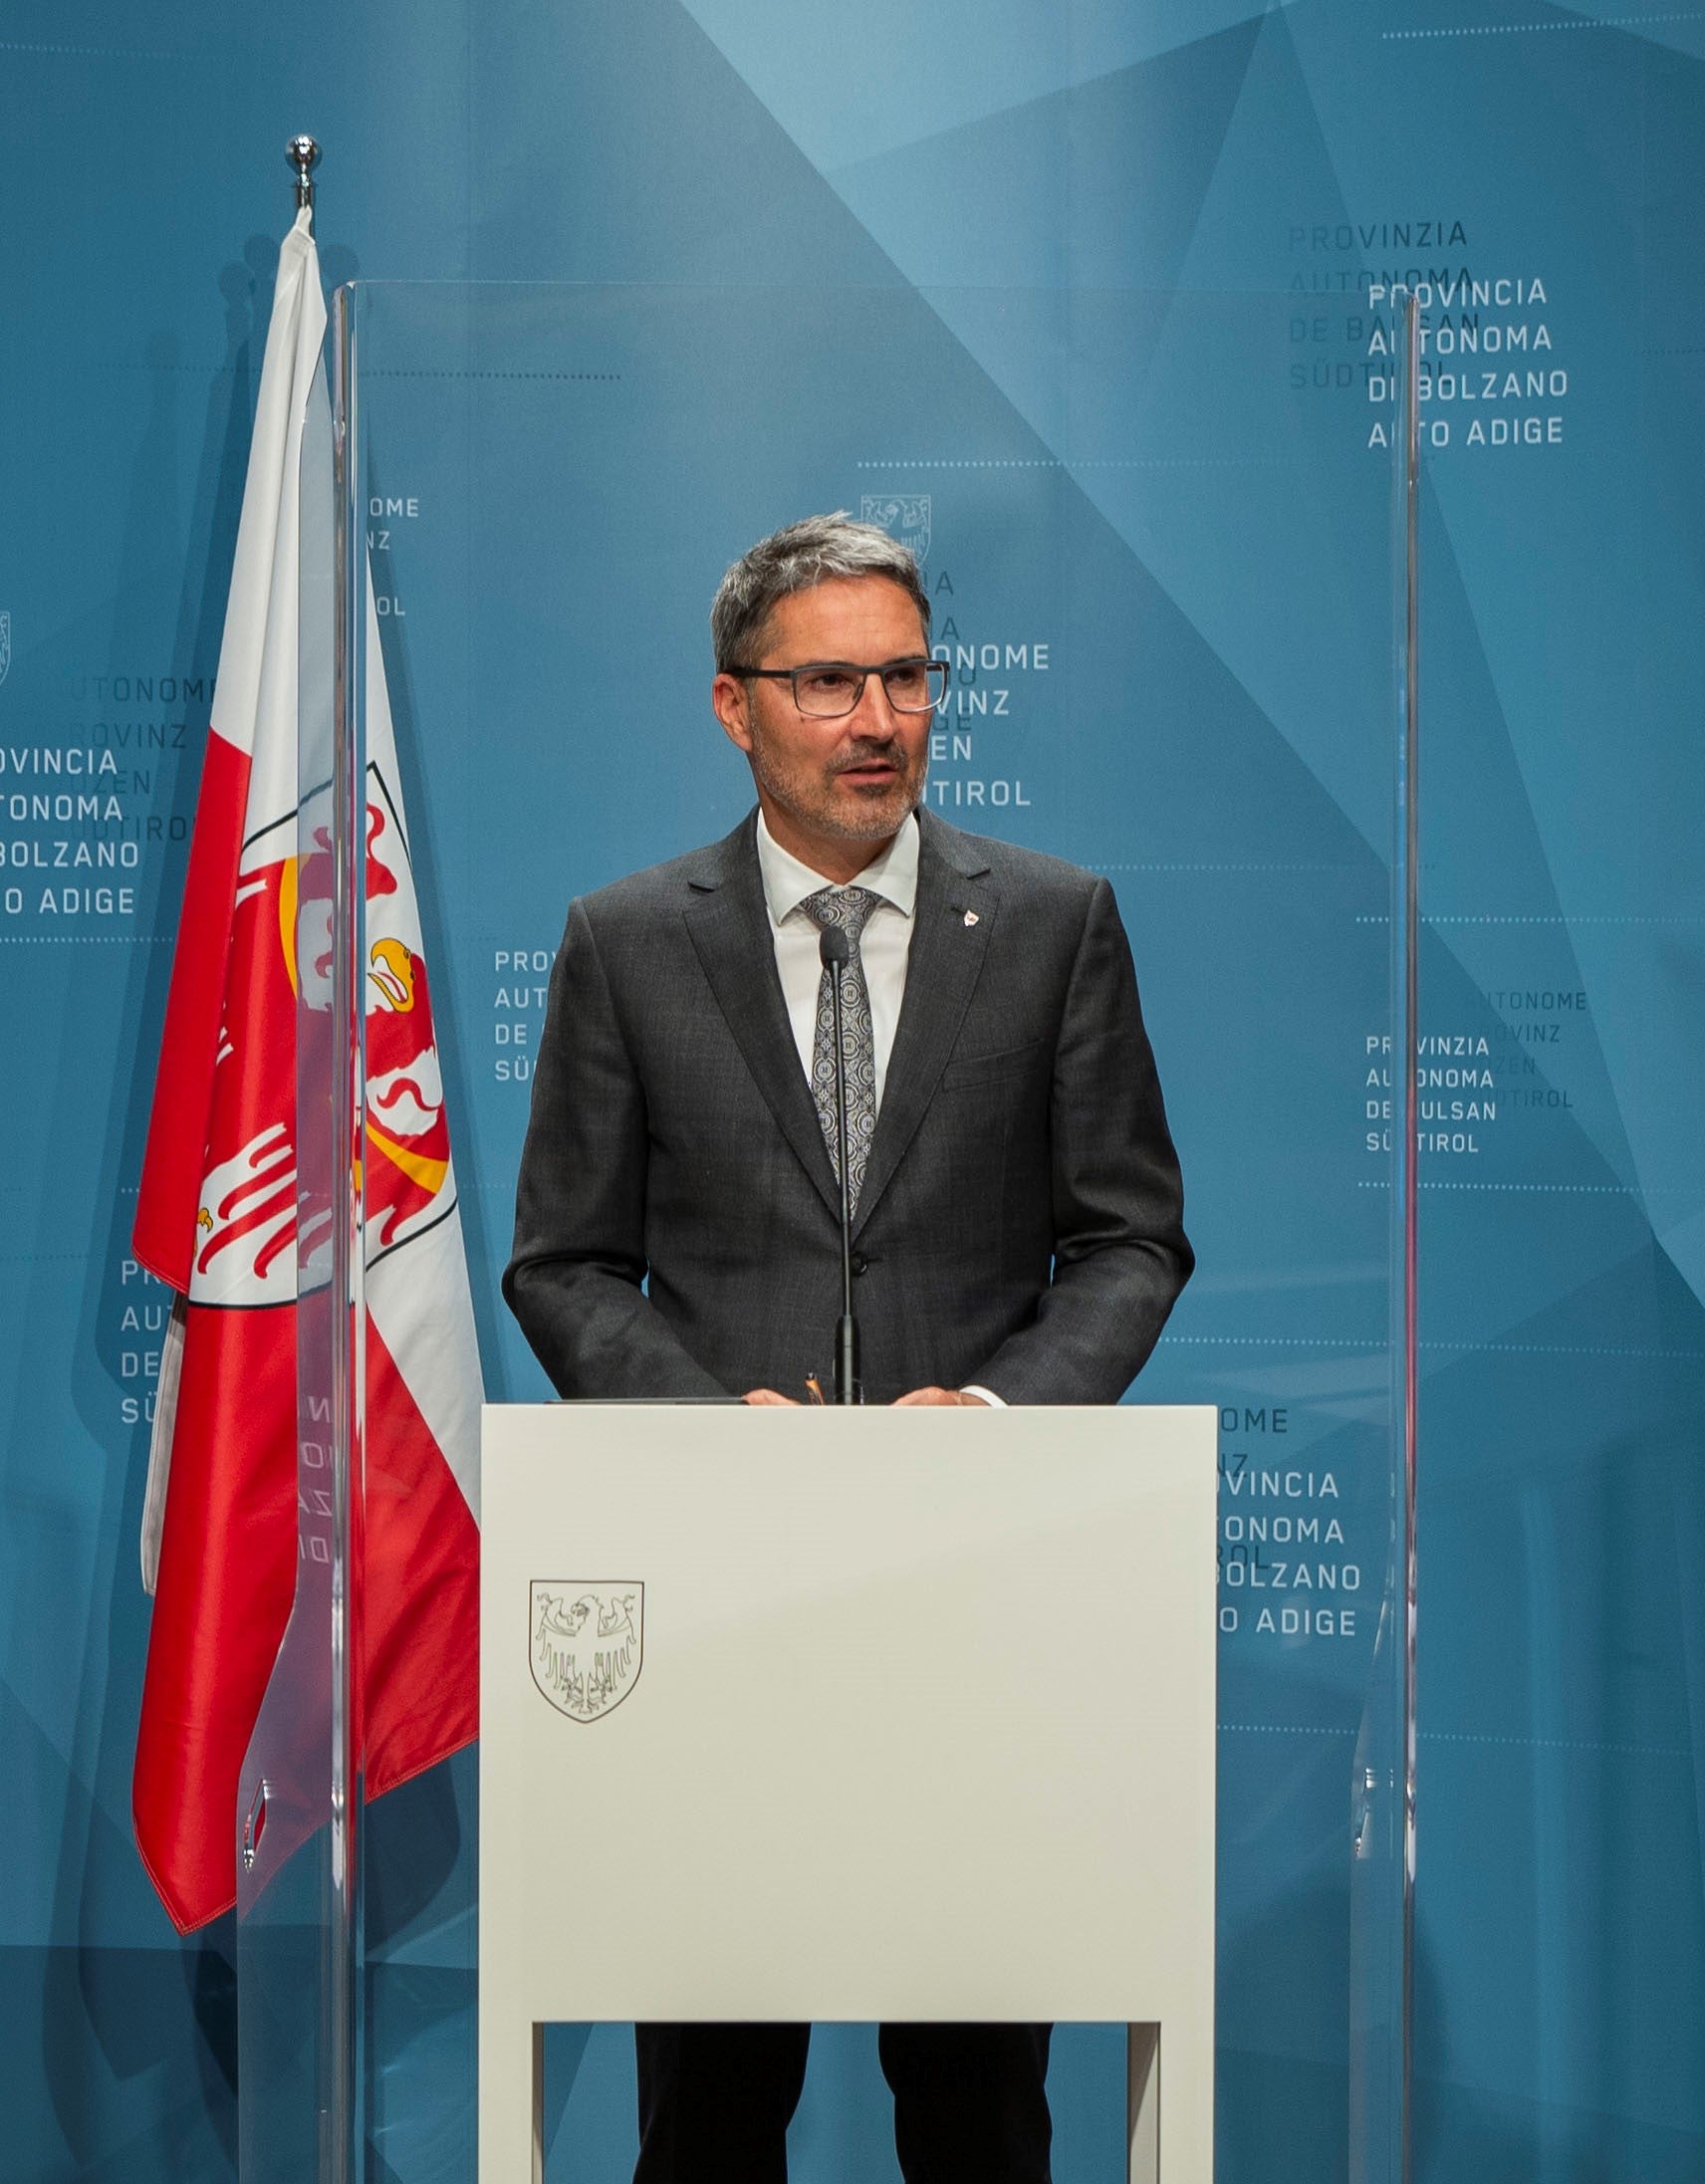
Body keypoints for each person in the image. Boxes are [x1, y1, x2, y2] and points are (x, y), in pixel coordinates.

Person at [502, 511, 1192, 2184]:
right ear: (734, 706)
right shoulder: (625, 939)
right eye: (829, 683)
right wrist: (710, 1429)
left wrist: (1001, 1406)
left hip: (981, 1600)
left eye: (904, 676)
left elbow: (1129, 1235)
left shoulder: (1054, 922)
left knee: (979, 2114)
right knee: (710, 2115)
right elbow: (566, 1264)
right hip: (722, 1609)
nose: (876, 719)